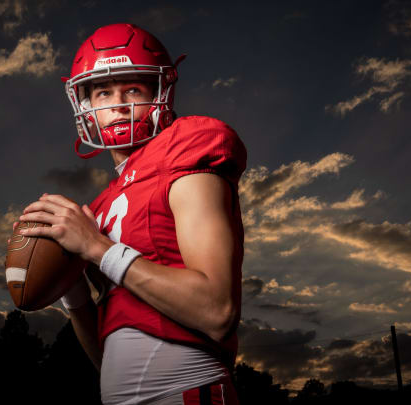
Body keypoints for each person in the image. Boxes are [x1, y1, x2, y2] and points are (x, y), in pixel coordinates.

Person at [16, 23, 246, 405]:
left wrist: (97, 248)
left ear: (160, 92)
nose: (118, 104)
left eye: (133, 89)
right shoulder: (101, 209)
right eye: (103, 92)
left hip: (187, 393)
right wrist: (70, 289)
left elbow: (217, 311)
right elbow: (108, 357)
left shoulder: (185, 147)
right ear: (86, 105)